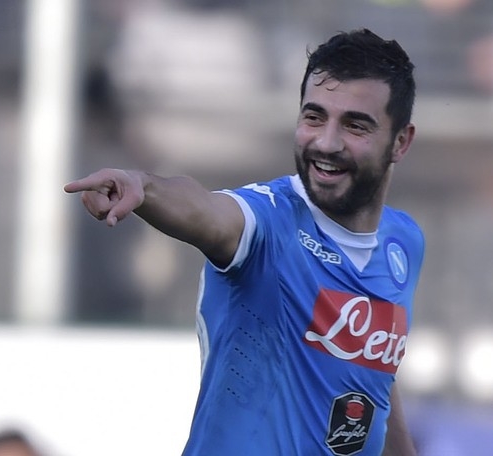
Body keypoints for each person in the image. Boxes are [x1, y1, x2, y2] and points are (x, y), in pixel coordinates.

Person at [65, 28, 424, 455]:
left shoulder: (403, 242)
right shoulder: (268, 221)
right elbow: (207, 211)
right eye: (314, 117)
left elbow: (374, 380)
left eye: (355, 125)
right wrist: (144, 188)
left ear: (400, 141)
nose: (327, 143)